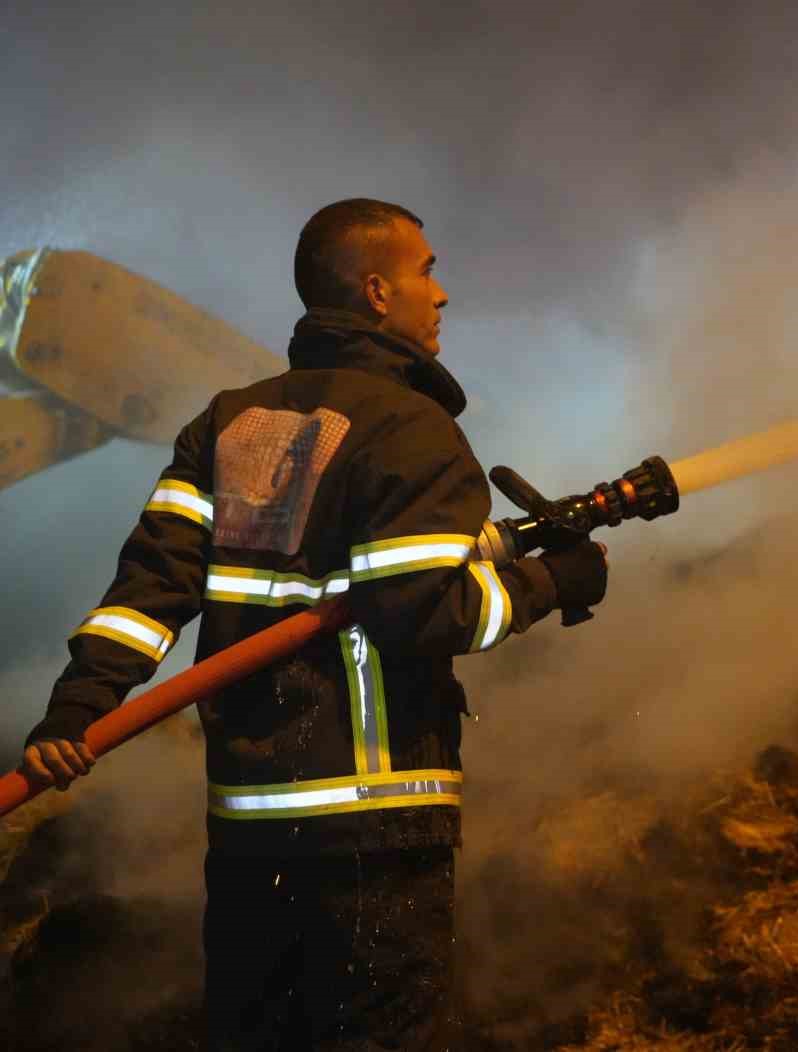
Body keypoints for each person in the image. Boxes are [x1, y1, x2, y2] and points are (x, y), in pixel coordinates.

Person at [16, 198, 610, 1050]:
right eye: (426, 272)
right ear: (376, 291)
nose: (440, 296)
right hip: (374, 826)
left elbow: (152, 589)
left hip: (251, 831)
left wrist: (77, 708)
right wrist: (553, 581)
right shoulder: (411, 428)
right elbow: (423, 612)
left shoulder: (229, 423)